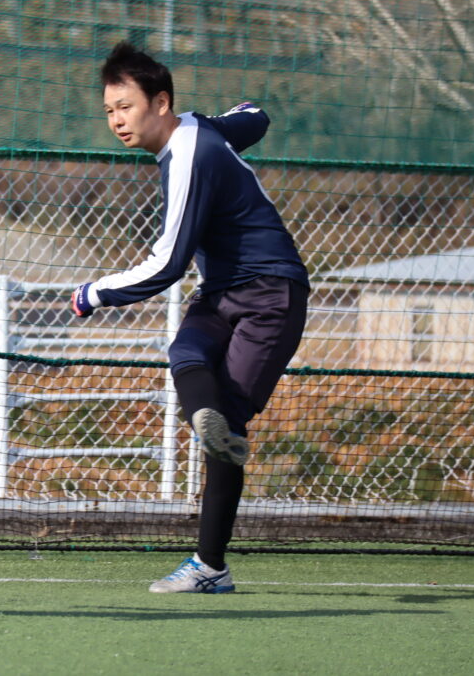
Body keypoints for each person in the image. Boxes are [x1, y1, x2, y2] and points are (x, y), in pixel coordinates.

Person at [70, 43, 310, 593]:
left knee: (228, 418)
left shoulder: (188, 155)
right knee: (186, 352)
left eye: (126, 107)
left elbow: (168, 264)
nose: (117, 120)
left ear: (160, 103)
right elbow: (256, 116)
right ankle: (209, 422)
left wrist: (92, 293)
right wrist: (231, 119)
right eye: (109, 111)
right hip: (222, 290)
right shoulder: (201, 131)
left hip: (271, 296)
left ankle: (209, 567)